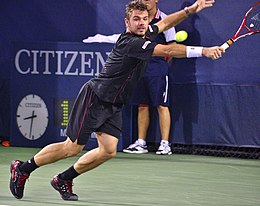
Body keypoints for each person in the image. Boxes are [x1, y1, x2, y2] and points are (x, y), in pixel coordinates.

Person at [9, 0, 223, 201]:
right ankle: (22, 169)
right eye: (136, 19)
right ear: (127, 22)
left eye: (144, 19)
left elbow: (165, 22)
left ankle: (64, 178)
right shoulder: (131, 43)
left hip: (114, 103)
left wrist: (191, 10)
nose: (141, 23)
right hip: (96, 98)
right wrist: (204, 51)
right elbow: (167, 50)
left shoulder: (146, 32)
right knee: (71, 148)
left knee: (108, 150)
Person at [123, 0, 175, 155]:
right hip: (140, 68)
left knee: (162, 105)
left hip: (158, 68)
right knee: (142, 105)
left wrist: (160, 64)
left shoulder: (165, 20)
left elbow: (171, 48)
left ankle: (165, 144)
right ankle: (141, 143)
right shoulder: (136, 20)